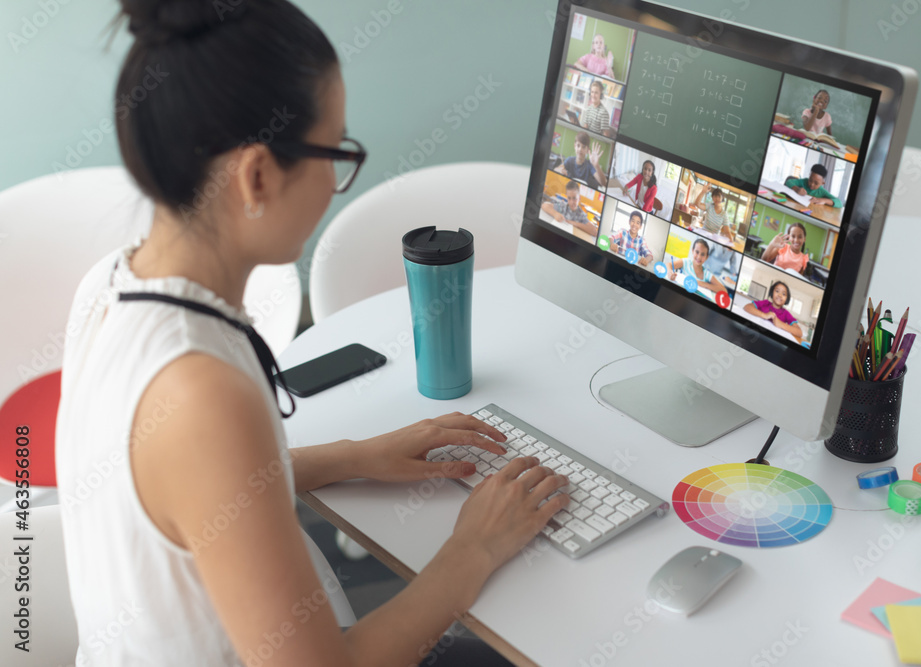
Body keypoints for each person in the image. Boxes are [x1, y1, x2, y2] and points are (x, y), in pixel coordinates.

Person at [56, 2, 569, 665]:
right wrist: (475, 547)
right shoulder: (202, 392)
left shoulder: (108, 286)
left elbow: (194, 489)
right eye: (335, 152)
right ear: (258, 174)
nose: (335, 183)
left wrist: (356, 454)